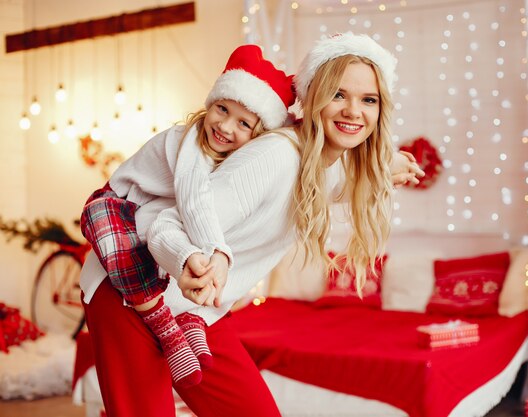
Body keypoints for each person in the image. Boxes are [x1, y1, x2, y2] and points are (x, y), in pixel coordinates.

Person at [81, 33, 422, 417]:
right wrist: (197, 257)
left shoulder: (320, 166)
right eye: (338, 95)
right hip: (132, 288)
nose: (353, 111)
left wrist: (386, 167)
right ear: (310, 100)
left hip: (199, 309)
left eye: (368, 100)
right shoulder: (276, 157)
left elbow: (338, 183)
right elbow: (168, 223)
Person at [79, 44, 295, 388]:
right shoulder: (190, 141)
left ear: (257, 136)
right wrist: (217, 251)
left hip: (148, 216)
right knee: (127, 253)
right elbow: (195, 201)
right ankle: (166, 326)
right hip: (117, 206)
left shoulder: (236, 159)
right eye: (222, 109)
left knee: (178, 252)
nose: (224, 126)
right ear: (210, 103)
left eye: (243, 123)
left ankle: (193, 318)